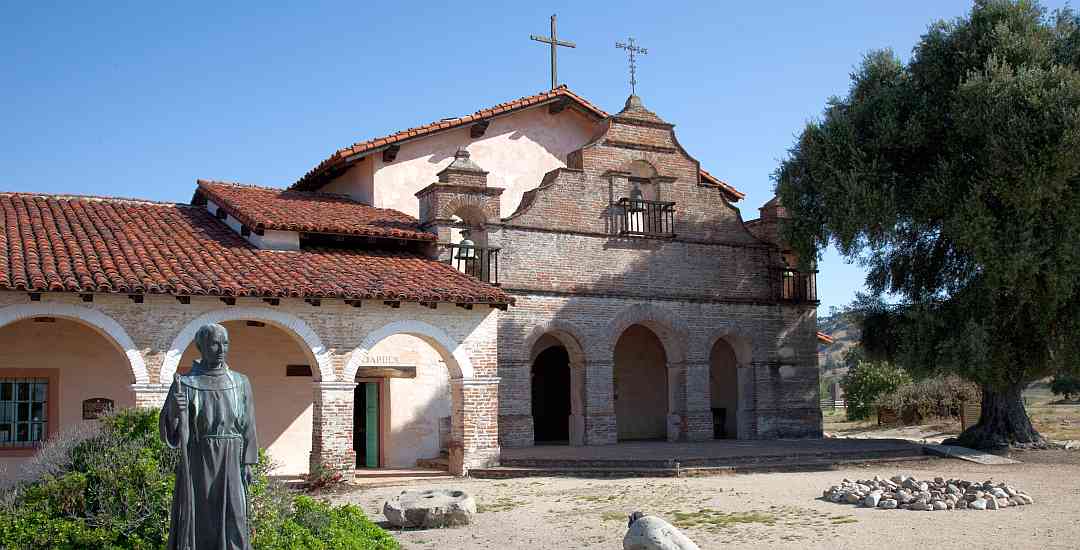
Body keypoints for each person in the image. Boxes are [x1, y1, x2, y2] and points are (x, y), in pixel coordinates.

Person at [160, 323, 257, 550]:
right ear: (201, 346)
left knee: (236, 515)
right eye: (215, 343)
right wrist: (175, 408)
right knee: (200, 514)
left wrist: (249, 462)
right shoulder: (185, 384)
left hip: (232, 457)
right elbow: (171, 429)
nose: (221, 349)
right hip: (199, 458)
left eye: (225, 343)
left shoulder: (240, 382)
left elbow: (248, 425)